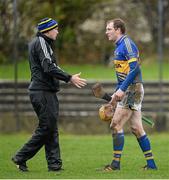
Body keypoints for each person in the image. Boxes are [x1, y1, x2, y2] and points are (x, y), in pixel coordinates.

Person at [12, 17, 87, 172]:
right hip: (42, 92)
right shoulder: (41, 42)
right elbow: (48, 67)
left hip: (45, 92)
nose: (58, 31)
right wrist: (69, 78)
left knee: (51, 128)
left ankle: (54, 165)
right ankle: (21, 156)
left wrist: (67, 77)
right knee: (46, 128)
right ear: (47, 30)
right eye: (56, 29)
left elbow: (48, 66)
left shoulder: (42, 43)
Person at [104, 18, 157, 171]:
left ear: (118, 29)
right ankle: (151, 165)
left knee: (115, 125)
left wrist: (123, 89)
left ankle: (115, 165)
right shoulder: (118, 47)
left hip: (132, 89)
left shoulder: (127, 44)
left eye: (109, 29)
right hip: (130, 88)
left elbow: (135, 69)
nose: (106, 32)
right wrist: (116, 91)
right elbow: (122, 74)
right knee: (136, 128)